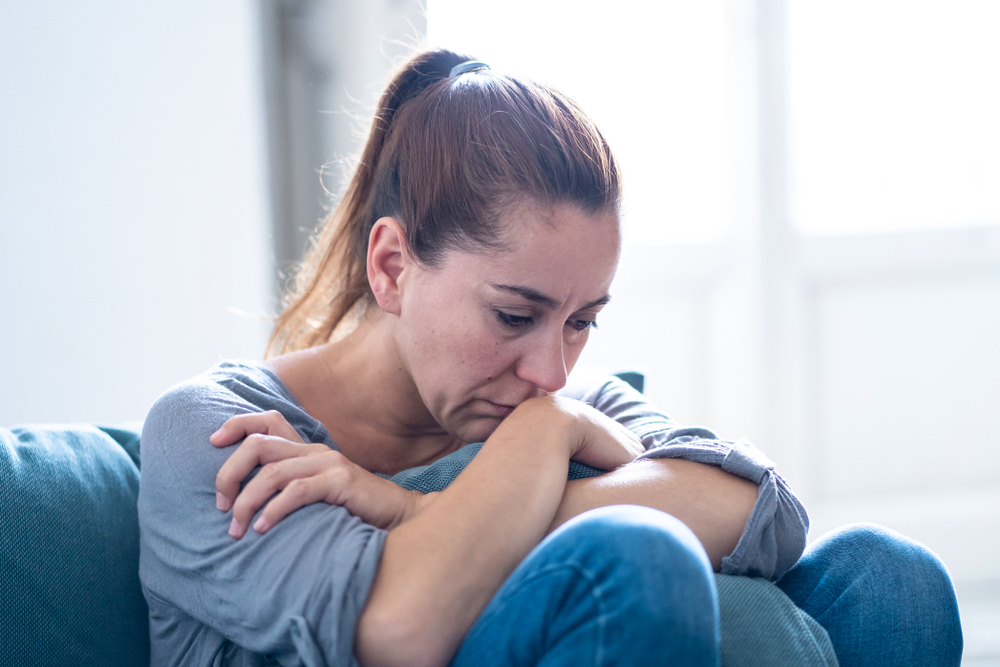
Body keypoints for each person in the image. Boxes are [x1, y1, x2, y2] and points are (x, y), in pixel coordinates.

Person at [138, 50, 962, 667]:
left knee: (891, 578)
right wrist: (546, 443)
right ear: (391, 266)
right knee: (638, 561)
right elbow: (402, 623)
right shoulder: (216, 432)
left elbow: (764, 512)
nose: (551, 373)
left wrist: (410, 506)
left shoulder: (557, 402)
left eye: (582, 322)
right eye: (514, 314)